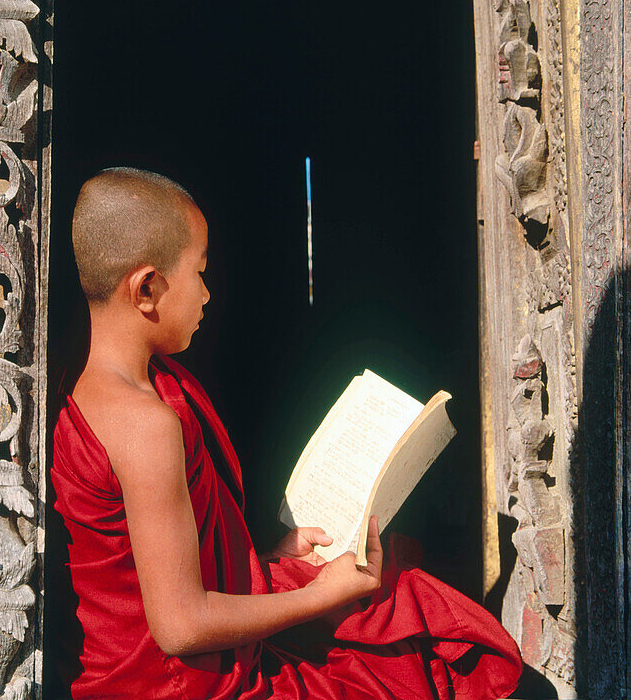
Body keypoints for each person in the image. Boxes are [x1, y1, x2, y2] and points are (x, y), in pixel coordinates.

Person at [50, 167, 523, 700]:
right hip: (181, 687)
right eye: (199, 272)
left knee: (395, 599)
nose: (207, 294)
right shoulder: (145, 425)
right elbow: (180, 626)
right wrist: (320, 595)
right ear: (147, 288)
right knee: (415, 656)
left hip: (199, 657)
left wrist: (268, 561)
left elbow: (160, 565)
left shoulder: (101, 387)